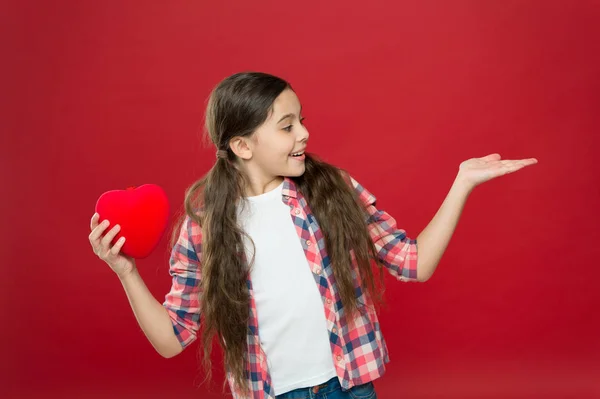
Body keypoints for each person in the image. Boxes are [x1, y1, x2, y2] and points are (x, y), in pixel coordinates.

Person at [88, 71, 538, 399]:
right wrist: (126, 272)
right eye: (286, 127)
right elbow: (172, 339)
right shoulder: (205, 224)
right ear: (243, 146)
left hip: (349, 389)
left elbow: (413, 262)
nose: (304, 133)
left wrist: (462, 182)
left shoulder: (330, 191)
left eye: (300, 119)